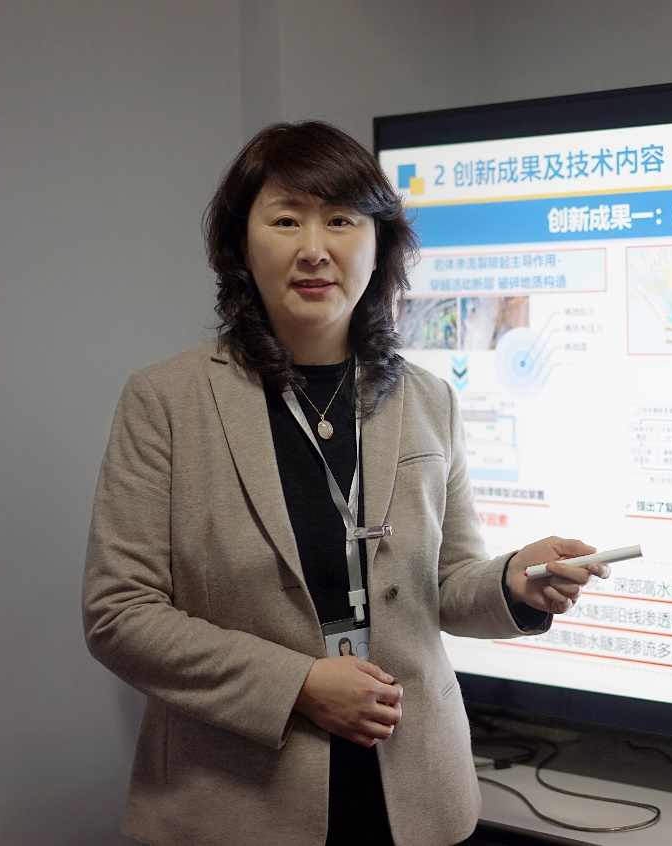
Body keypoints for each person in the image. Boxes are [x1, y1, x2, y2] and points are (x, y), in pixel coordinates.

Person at [82, 121, 609, 846]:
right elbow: (119, 613)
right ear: (241, 245)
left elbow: (446, 584)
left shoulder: (429, 399)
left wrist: (514, 582)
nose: (313, 248)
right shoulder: (166, 401)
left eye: (340, 220)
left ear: (379, 242)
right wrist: (296, 684)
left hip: (411, 785)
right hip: (235, 795)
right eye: (286, 220)